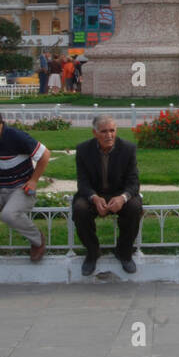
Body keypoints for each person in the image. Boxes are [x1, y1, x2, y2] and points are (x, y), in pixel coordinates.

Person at [0, 103, 50, 261]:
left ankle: (37, 240)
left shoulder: (16, 136)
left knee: (9, 215)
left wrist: (33, 181)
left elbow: (45, 154)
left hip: (21, 189)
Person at [72, 115, 142, 276]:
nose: (109, 135)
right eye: (104, 131)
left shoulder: (128, 149)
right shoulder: (83, 150)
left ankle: (124, 253)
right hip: (95, 194)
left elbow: (134, 183)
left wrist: (123, 198)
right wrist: (94, 198)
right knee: (80, 209)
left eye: (112, 131)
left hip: (119, 194)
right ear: (94, 133)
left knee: (134, 207)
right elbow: (82, 182)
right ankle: (92, 253)